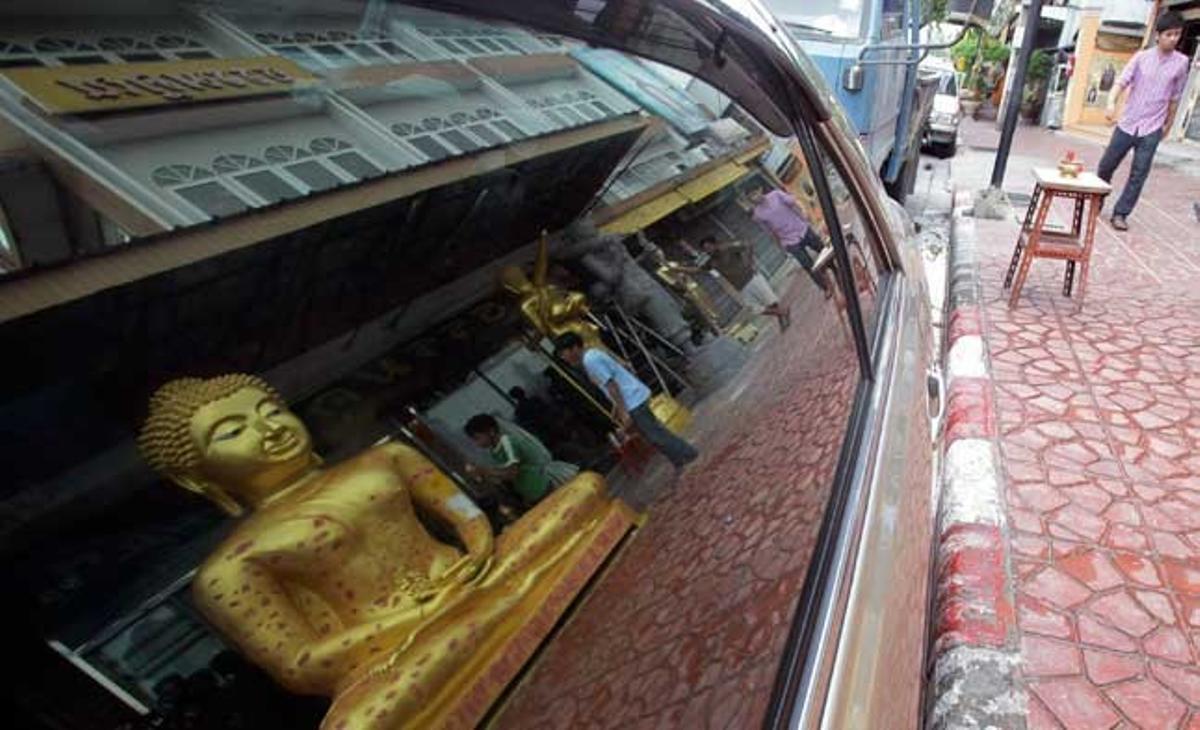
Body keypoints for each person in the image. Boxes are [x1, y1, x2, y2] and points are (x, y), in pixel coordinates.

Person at [1098, 11, 1191, 231]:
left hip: (1152, 128)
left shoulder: (1181, 63)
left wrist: (1167, 125)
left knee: (1139, 173)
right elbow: (1121, 82)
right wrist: (1111, 103)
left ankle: (1121, 213)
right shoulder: (1141, 57)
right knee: (1107, 165)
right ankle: (1097, 199)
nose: (1173, 38)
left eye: (1177, 34)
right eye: (1169, 34)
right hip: (1128, 123)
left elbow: (1175, 97)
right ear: (1158, 35)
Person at [554, 332, 699, 470]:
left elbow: (611, 385)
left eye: (564, 353)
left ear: (574, 348)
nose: (564, 357)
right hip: (632, 397)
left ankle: (686, 455)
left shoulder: (590, 360)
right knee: (653, 434)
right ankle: (680, 459)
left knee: (656, 435)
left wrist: (623, 411)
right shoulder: (593, 354)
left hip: (632, 400)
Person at [463, 413, 579, 507]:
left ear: (491, 432)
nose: (477, 443)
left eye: (478, 438)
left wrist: (484, 471)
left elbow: (511, 473)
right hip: (533, 493)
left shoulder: (507, 442)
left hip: (541, 487)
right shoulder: (494, 451)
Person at [744, 184, 833, 294]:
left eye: (754, 193)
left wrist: (804, 214)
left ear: (760, 189)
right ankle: (825, 288)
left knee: (823, 250)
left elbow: (794, 202)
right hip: (789, 242)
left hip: (802, 229)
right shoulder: (758, 214)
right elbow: (770, 232)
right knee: (808, 265)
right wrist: (780, 245)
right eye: (750, 197)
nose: (754, 197)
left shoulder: (776, 195)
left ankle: (837, 270)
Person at [699, 235, 790, 330]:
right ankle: (783, 312)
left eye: (709, 247)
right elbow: (698, 269)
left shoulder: (728, 247)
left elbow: (748, 244)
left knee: (770, 301)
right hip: (741, 288)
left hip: (752, 278)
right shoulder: (711, 262)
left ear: (715, 244)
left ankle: (781, 318)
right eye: (705, 250)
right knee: (754, 309)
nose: (708, 251)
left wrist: (750, 262)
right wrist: (682, 269)